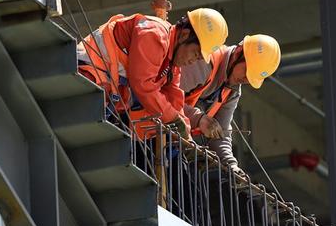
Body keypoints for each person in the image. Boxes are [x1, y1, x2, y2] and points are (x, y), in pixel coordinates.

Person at [76, 8, 228, 138]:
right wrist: (174, 119)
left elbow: (174, 98)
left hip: (101, 95)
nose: (193, 61)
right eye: (195, 53)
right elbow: (143, 84)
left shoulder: (171, 64)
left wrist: (185, 135)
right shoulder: (155, 34)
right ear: (184, 35)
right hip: (85, 76)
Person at [179, 34, 281, 173]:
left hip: (173, 139)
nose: (246, 80)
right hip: (149, 130)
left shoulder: (232, 91)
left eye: (251, 78)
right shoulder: (205, 62)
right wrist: (199, 118)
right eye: (247, 71)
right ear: (238, 53)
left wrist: (231, 165)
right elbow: (165, 99)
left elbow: (221, 132)